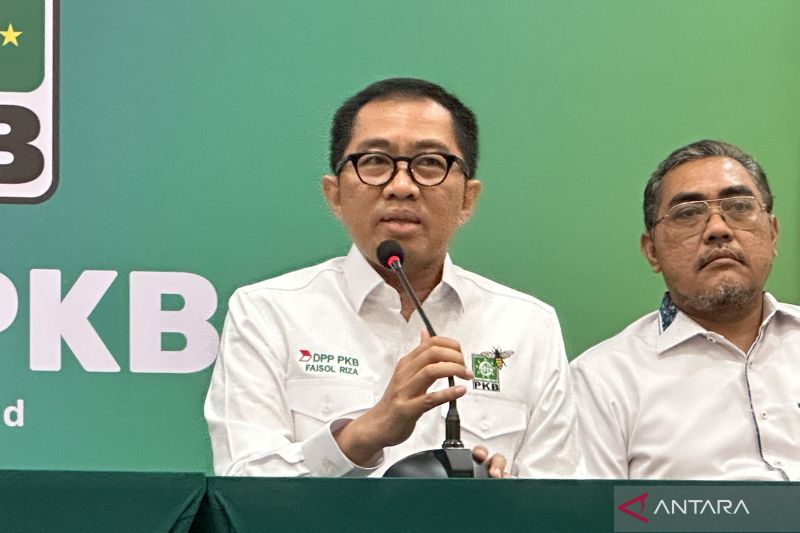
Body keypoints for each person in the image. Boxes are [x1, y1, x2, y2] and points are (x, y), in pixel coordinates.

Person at [204, 78, 579, 478]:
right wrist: (363, 435)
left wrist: (506, 496)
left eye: (430, 163)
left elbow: (558, 497)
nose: (401, 187)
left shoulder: (527, 325)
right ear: (335, 194)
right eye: (375, 162)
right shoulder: (268, 311)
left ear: (467, 199)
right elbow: (243, 486)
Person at [571, 139, 798, 480]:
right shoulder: (602, 380)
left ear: (773, 234)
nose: (718, 229)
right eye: (688, 213)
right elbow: (597, 510)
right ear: (652, 251)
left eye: (739, 206)